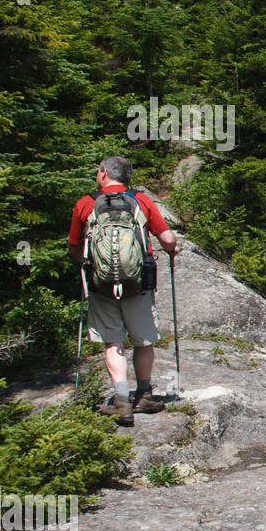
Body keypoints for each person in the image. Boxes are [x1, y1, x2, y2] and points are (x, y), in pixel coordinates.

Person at [67, 156, 180, 426]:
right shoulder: (141, 201)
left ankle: (121, 402)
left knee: (113, 343)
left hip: (101, 285)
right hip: (138, 283)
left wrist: (88, 263)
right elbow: (166, 239)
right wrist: (173, 249)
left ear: (104, 173)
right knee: (143, 341)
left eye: (98, 171)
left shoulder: (85, 203)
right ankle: (143, 394)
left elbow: (74, 246)